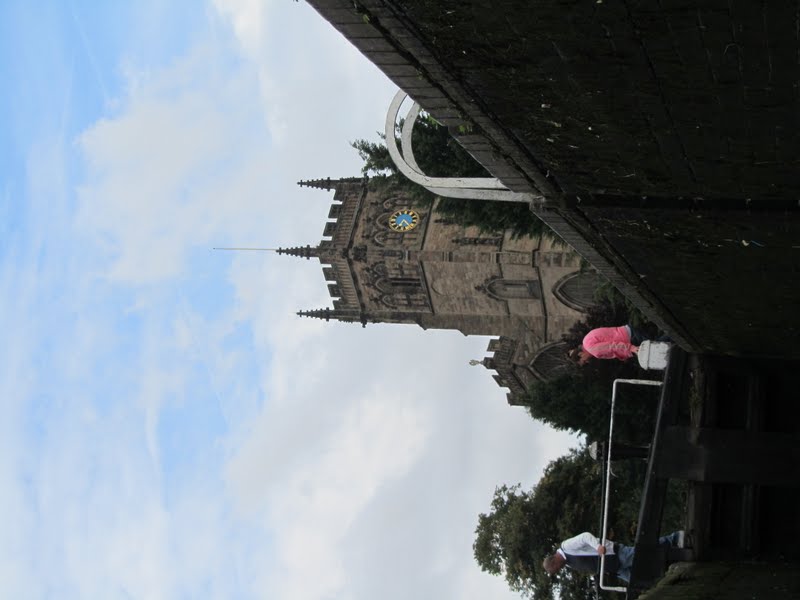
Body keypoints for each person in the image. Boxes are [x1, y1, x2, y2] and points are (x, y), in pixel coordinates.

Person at [542, 531, 685, 583]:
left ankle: (674, 538)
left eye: (556, 569)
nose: (559, 570)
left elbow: (585, 537)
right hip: (614, 568)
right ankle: (670, 571)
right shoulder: (568, 563)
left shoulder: (566, 546)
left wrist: (598, 546)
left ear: (554, 562)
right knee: (638, 581)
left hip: (614, 555)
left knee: (643, 553)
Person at [569, 325, 647, 363]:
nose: (587, 362)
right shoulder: (586, 340)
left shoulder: (593, 350)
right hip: (627, 331)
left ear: (580, 354)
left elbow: (612, 346)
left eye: (584, 361)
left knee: (657, 346)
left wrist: (631, 348)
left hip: (631, 339)